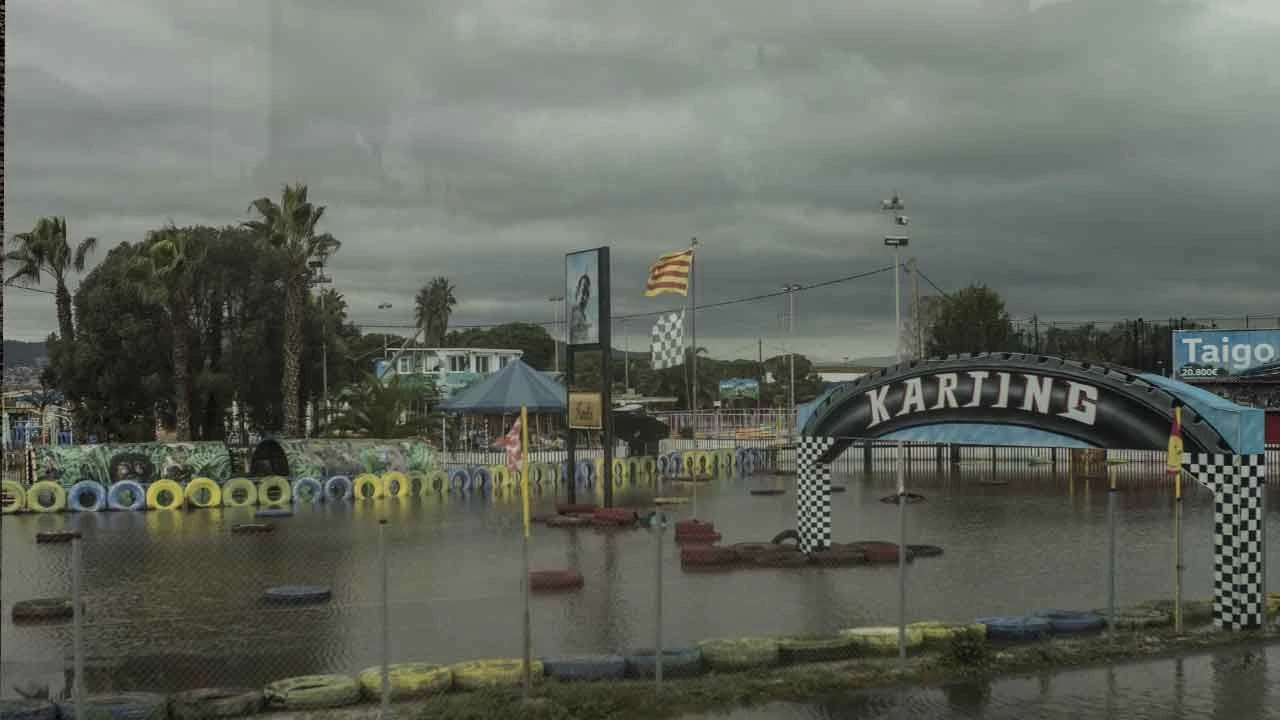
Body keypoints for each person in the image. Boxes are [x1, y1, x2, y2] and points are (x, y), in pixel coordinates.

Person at [569, 272, 592, 343]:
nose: (584, 296)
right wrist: (583, 325)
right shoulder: (575, 310)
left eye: (586, 292)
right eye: (582, 290)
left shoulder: (585, 312)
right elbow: (574, 327)